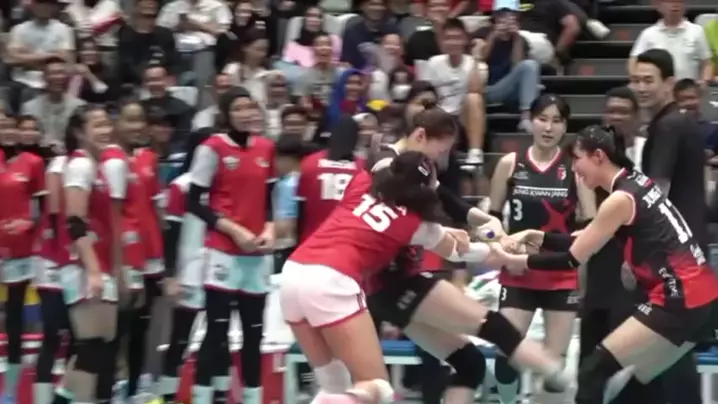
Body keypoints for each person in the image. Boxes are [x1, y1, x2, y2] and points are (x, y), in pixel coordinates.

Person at [281, 151, 565, 402]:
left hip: (293, 275)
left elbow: (380, 164)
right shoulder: (415, 223)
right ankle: (556, 373)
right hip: (348, 281)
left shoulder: (362, 183)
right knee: (377, 387)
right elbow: (461, 252)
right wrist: (505, 249)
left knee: (335, 384)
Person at [505, 125, 718, 404]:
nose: (574, 169)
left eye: (577, 159)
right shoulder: (635, 181)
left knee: (593, 372)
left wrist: (512, 260)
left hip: (679, 298)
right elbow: (585, 239)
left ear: (598, 156)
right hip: (702, 295)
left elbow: (572, 258)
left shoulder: (619, 199)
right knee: (641, 384)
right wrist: (538, 236)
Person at [487, 94, 596, 403]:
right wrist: (501, 244)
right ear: (531, 122)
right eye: (542, 119)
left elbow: (591, 227)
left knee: (553, 369)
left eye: (557, 121)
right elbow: (489, 221)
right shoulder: (510, 164)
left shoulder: (576, 169)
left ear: (565, 126)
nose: (548, 127)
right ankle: (507, 400)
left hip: (560, 276)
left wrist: (580, 270)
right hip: (518, 273)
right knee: (505, 353)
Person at [187, 87, 275, 404]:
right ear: (226, 114)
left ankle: (252, 397)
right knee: (217, 334)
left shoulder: (266, 147)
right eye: (238, 108)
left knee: (254, 335)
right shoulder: (212, 148)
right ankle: (203, 397)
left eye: (250, 107)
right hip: (222, 252)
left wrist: (269, 230)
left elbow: (269, 200)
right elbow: (194, 202)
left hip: (256, 254)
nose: (246, 113)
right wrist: (234, 230)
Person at [630, 48, 709, 404]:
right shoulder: (681, 122)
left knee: (668, 349)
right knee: (671, 350)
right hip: (688, 250)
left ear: (670, 83)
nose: (641, 87)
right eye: (636, 80)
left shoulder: (668, 126)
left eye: (649, 80)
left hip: (674, 257)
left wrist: (636, 249)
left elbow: (656, 195)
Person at [61, 105, 121, 404]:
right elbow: (75, 222)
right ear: (79, 132)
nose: (105, 130)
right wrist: (94, 271)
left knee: (99, 345)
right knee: (91, 348)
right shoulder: (81, 165)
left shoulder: (97, 167)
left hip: (99, 265)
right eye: (97, 125)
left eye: (107, 124)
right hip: (84, 267)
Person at [158, 128, 221, 404]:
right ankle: (166, 396)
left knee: (218, 337)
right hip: (190, 271)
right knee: (180, 337)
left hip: (223, 268)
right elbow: (170, 234)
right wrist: (171, 274)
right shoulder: (181, 186)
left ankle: (210, 396)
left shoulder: (228, 183)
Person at [33, 111, 83, 404]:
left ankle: (65, 396)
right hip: (54, 258)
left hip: (82, 259)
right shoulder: (60, 164)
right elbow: (53, 213)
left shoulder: (99, 163)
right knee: (52, 334)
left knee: (81, 335)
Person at [0, 110, 46, 403]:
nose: (6, 130)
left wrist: (28, 223)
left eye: (9, 126)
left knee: (14, 310)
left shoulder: (33, 162)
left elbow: (43, 208)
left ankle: (13, 380)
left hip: (21, 249)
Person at [297, 116, 365, 242]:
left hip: (313, 237)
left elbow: (299, 205)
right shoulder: (363, 167)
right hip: (347, 239)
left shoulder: (310, 162)